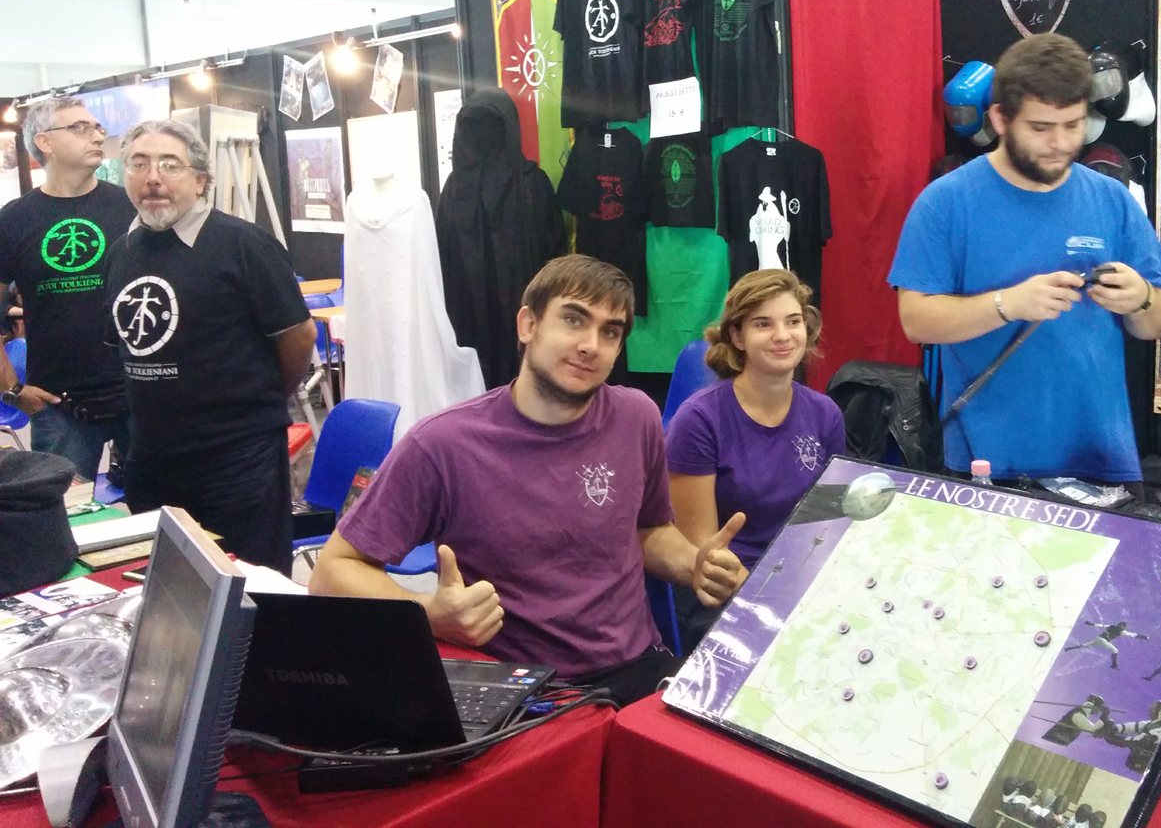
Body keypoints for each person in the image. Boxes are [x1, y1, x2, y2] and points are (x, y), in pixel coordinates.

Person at [309, 255, 750, 706]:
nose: (590, 345)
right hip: (521, 688)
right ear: (528, 325)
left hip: (637, 669)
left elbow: (647, 530)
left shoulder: (637, 417)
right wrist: (429, 613)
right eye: (574, 320)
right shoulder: (442, 445)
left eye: (610, 332)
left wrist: (692, 564)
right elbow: (332, 571)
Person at [890, 33, 1161, 481]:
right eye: (1040, 128)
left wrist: (1141, 298)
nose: (1059, 143)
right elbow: (916, 321)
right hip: (988, 459)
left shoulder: (1111, 199)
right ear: (1000, 119)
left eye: (1073, 125)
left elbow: (1159, 321)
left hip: (1100, 453)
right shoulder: (946, 202)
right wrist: (1009, 304)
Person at [106, 120, 315, 574]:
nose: (152, 178)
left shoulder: (244, 245)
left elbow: (299, 337)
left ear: (200, 180)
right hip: (152, 457)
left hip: (236, 459)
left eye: (169, 165)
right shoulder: (123, 251)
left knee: (252, 586)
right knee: (169, 586)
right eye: (139, 164)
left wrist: (261, 395)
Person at [664, 269, 845, 651]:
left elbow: (827, 527)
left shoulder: (826, 414)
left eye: (793, 321)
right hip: (724, 591)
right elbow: (704, 551)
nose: (783, 335)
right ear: (737, 336)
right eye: (763, 324)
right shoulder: (698, 420)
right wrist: (766, 596)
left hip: (801, 582)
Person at [0, 97, 135, 480]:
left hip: (141, 394)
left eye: (98, 128)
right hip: (57, 405)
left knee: (161, 507)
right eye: (80, 128)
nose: (97, 136)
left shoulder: (131, 207)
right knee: (64, 509)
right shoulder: (14, 220)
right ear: (44, 141)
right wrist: (13, 390)